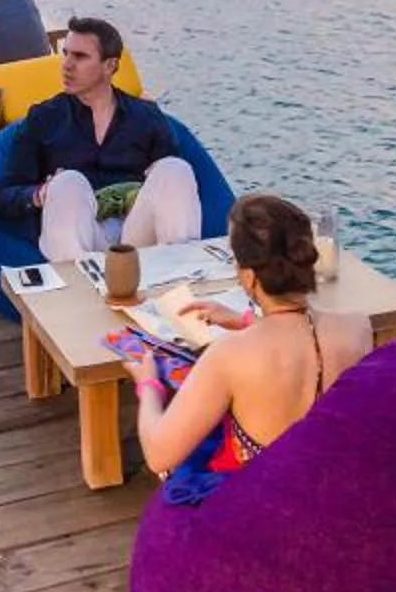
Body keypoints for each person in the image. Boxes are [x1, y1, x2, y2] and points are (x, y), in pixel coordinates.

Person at [125, 193, 368, 484]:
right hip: (329, 485)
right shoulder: (357, 329)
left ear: (250, 277)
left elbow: (158, 454)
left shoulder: (228, 355)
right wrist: (245, 322)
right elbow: (298, 341)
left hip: (261, 503)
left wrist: (149, 385)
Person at [0, 18, 199, 268]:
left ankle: (182, 273)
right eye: (66, 54)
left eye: (80, 57)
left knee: (175, 169)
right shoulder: (44, 118)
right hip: (78, 239)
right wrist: (39, 193)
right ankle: (80, 287)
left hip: (136, 238)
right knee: (67, 182)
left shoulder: (146, 117)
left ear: (109, 65)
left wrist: (149, 186)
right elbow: (5, 197)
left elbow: (173, 190)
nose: (67, 66)